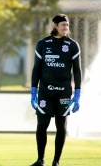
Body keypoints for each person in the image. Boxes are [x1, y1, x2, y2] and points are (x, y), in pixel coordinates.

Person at [30, 14, 82, 166]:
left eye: (67, 25)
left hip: (64, 92)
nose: (66, 28)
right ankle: (40, 160)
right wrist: (34, 92)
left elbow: (77, 71)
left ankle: (56, 161)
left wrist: (77, 94)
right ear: (55, 26)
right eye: (63, 25)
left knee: (61, 127)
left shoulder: (73, 45)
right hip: (45, 92)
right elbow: (36, 69)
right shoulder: (43, 44)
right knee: (42, 125)